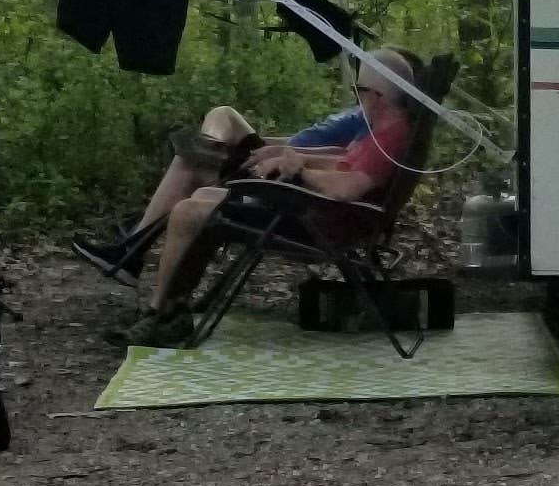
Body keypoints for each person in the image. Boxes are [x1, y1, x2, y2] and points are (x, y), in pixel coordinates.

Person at [86, 46, 442, 341]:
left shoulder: (388, 135)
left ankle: (160, 313)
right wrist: (297, 158)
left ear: (377, 96)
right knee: (203, 201)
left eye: (360, 91)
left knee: (192, 211)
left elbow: (348, 187)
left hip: (316, 220)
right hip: (319, 213)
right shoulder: (389, 128)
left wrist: (298, 171)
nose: (358, 98)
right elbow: (346, 164)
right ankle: (172, 309)